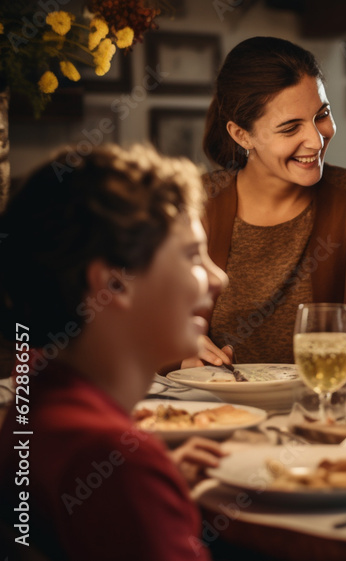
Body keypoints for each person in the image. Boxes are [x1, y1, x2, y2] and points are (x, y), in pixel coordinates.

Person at [0, 145, 229, 560]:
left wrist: (153, 487)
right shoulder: (115, 462)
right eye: (193, 255)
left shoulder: (32, 409)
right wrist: (138, 482)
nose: (219, 278)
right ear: (113, 285)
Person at [187, 36, 346, 368]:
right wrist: (178, 349)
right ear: (241, 135)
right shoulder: (195, 204)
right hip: (210, 413)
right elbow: (142, 326)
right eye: (291, 128)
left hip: (325, 412)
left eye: (322, 115)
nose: (316, 140)